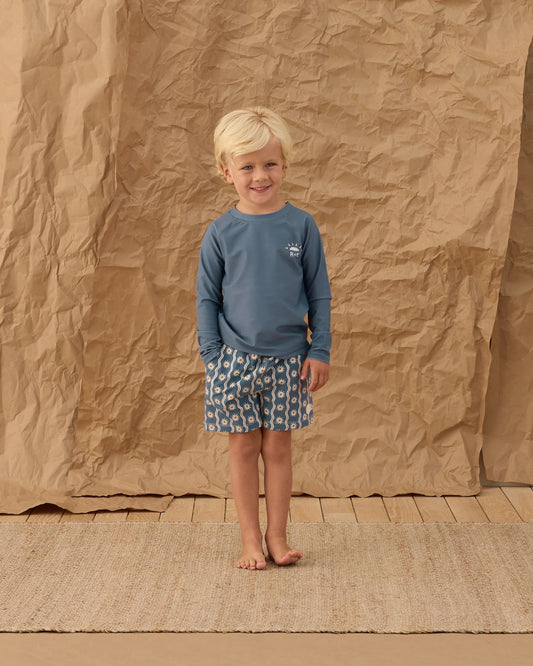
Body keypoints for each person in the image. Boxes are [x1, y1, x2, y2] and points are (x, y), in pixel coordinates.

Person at [196, 107, 332, 570]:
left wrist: (319, 349)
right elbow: (206, 298)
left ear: (285, 166)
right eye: (248, 166)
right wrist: (213, 357)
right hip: (234, 360)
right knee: (243, 448)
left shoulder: (301, 226)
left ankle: (277, 536)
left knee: (277, 448)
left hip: (290, 361)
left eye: (270, 163)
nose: (260, 176)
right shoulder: (221, 232)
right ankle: (250, 539)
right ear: (226, 171)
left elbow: (319, 294)